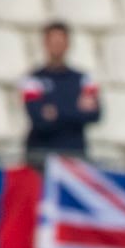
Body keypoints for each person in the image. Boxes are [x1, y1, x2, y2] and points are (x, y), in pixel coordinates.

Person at [21, 22, 101, 165]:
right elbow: (39, 120)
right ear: (45, 44)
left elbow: (94, 115)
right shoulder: (32, 79)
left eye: (60, 42)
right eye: (53, 42)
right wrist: (75, 110)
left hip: (75, 155)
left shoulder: (83, 79)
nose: (57, 46)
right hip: (41, 156)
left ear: (68, 44)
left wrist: (55, 112)